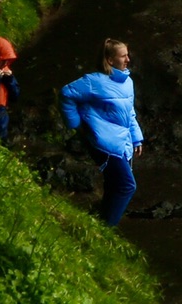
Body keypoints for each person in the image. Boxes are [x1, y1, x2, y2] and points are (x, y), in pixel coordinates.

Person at [61, 39, 144, 226]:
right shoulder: (93, 81)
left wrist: (136, 138)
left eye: (127, 55)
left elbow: (129, 113)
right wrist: (74, 122)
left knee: (114, 185)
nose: (128, 59)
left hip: (122, 141)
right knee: (126, 186)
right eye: (123, 56)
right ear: (109, 60)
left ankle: (100, 221)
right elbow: (66, 93)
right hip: (104, 143)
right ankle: (107, 228)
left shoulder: (127, 82)